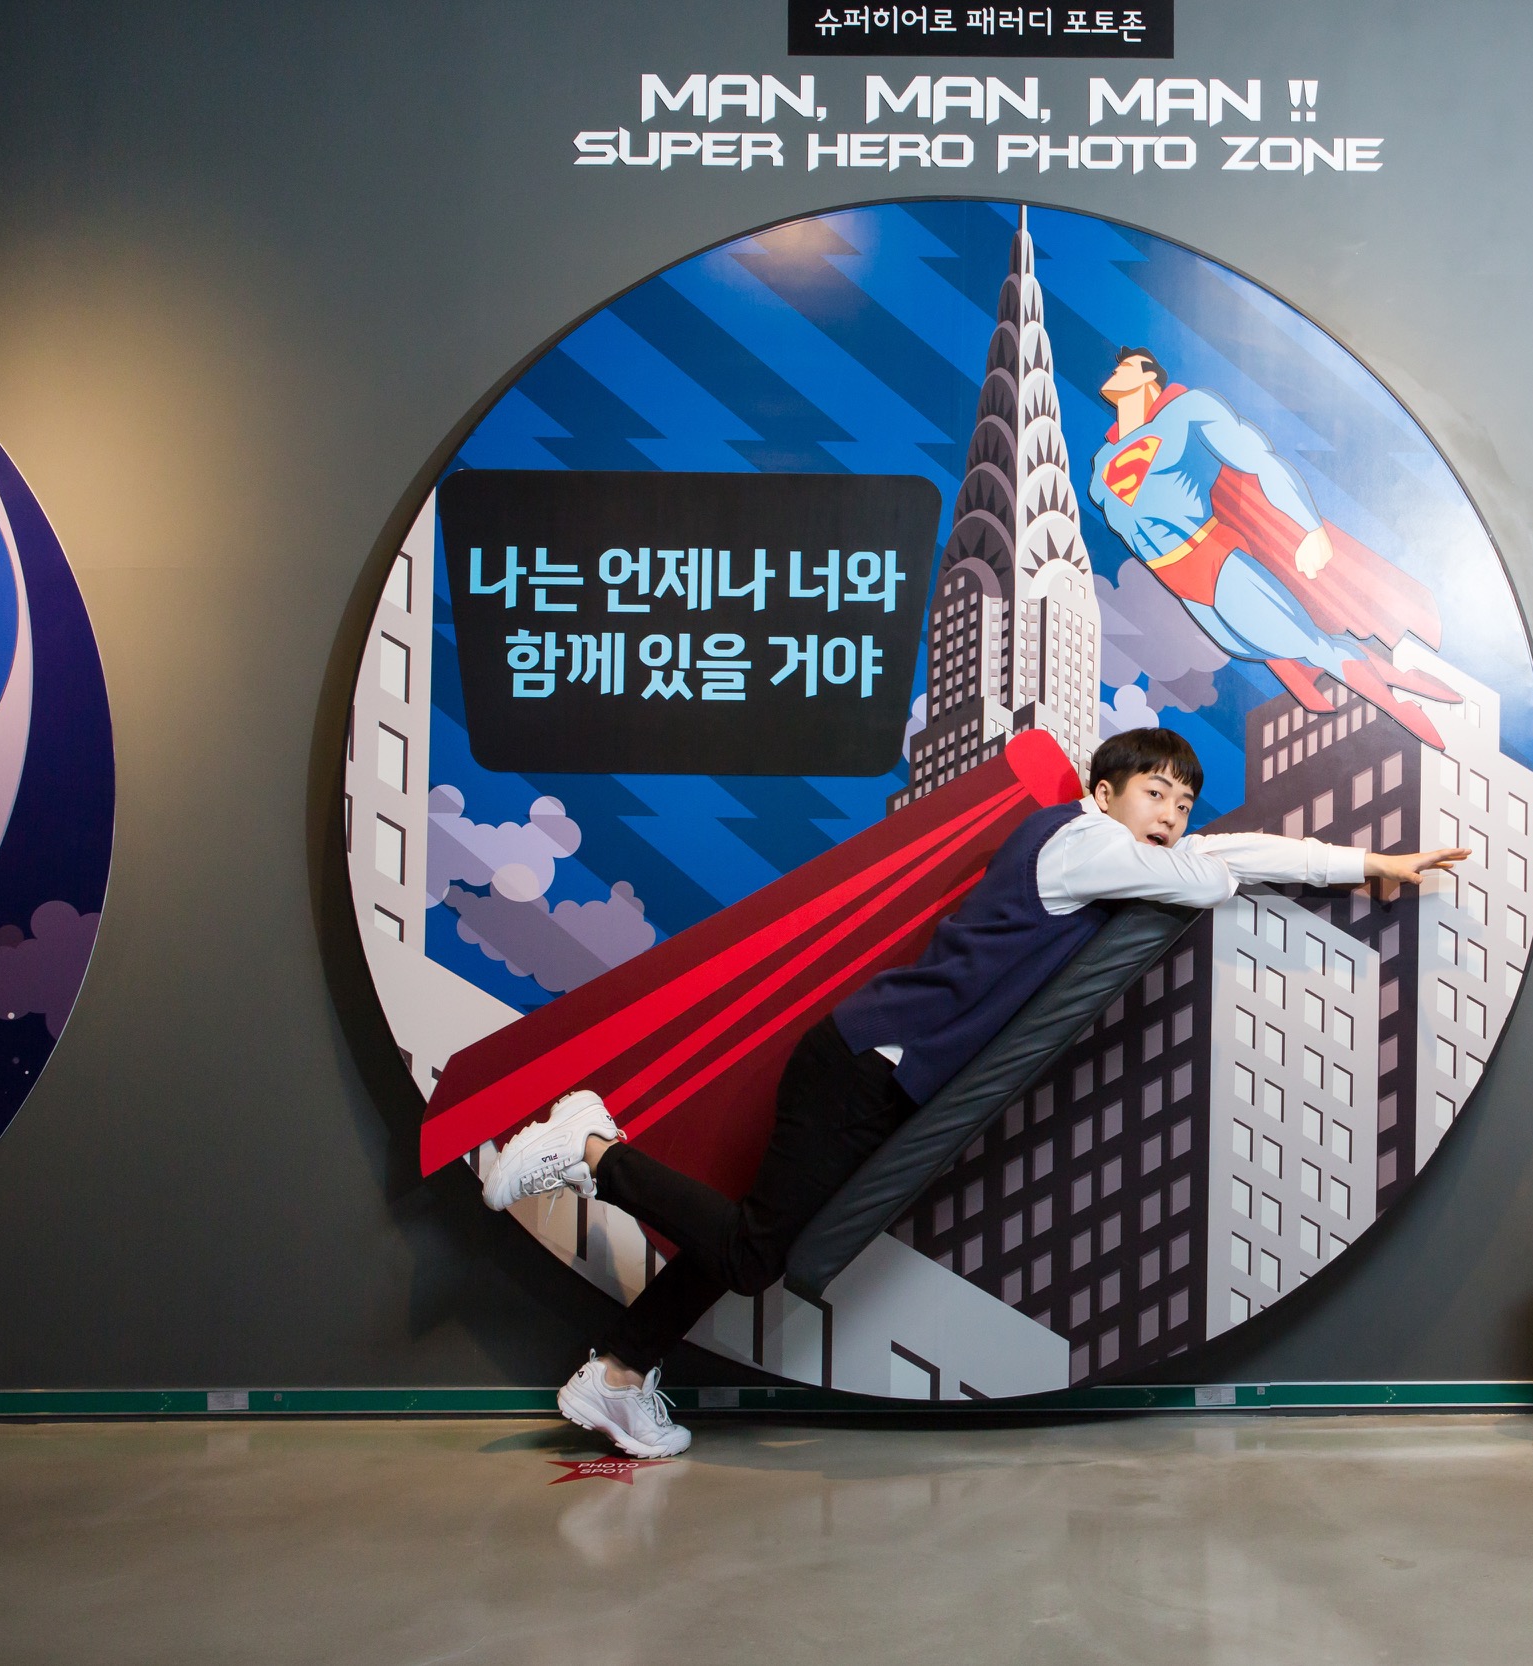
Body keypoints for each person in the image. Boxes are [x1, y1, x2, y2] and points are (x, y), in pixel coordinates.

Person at [478, 727, 1467, 1458]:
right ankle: (590, 1150)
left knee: (755, 1237)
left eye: (1183, 802)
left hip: (881, 1069)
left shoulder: (1116, 854)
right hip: (869, 1061)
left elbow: (1231, 854)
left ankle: (617, 1372)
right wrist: (1207, 861)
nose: (1173, 815)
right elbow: (1211, 878)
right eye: (1156, 793)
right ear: (1104, 792)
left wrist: (1368, 864)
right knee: (753, 1253)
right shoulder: (1080, 843)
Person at [1087, 346, 1457, 747]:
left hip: (1214, 561)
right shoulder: (1102, 465)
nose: (1115, 371)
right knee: (1283, 647)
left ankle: (1401, 711)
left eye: (1126, 365)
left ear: (1149, 376)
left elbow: (1258, 458)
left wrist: (1310, 526)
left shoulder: (1187, 411)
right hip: (1181, 584)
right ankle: (1400, 677)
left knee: (1310, 646)